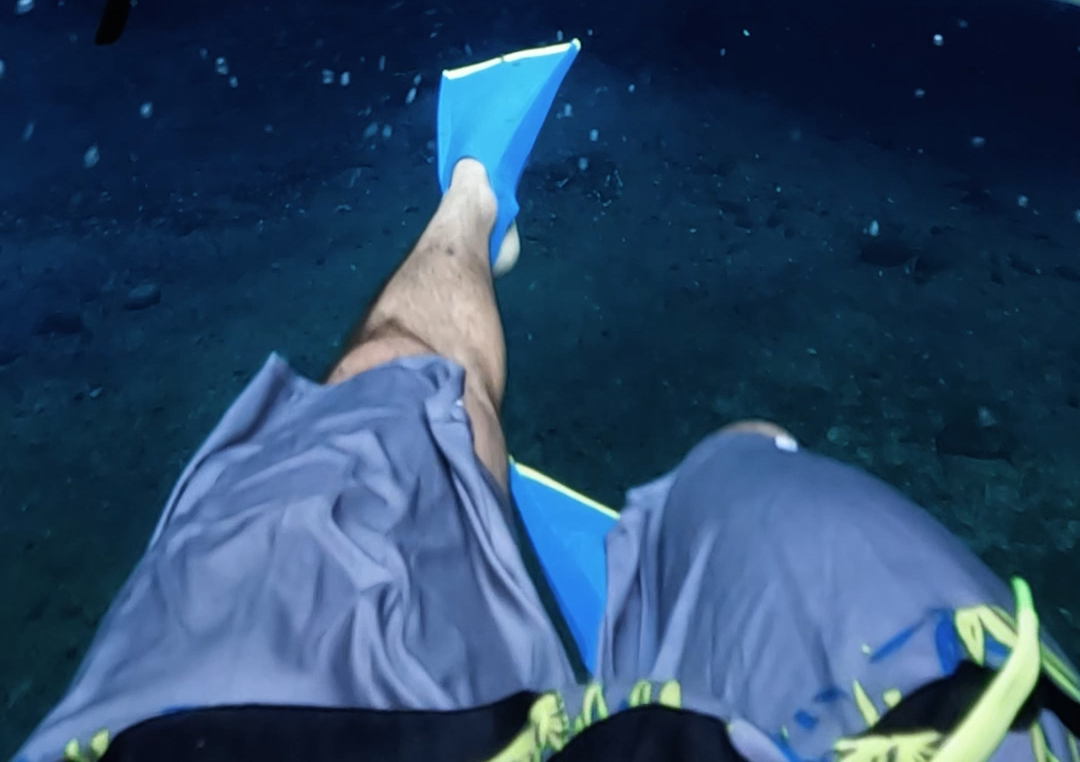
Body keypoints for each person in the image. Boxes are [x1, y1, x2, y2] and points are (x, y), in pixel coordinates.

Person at [17, 63, 1080, 762]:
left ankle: (474, 200)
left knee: (399, 376)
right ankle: (637, 620)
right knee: (750, 465)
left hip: (250, 740)